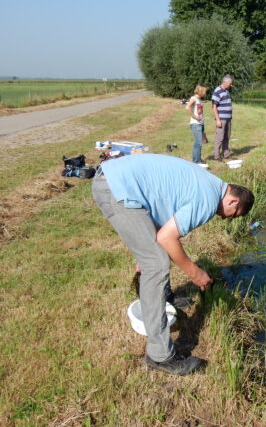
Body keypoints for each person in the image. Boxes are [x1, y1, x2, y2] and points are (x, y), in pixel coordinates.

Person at [91, 153, 254, 375]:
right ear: (233, 201)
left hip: (115, 179)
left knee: (154, 256)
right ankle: (160, 356)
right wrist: (195, 273)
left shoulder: (210, 184)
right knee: (156, 264)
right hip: (115, 187)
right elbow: (167, 238)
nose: (227, 219)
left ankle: (163, 297)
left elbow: (163, 229)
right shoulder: (207, 199)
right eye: (233, 215)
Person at [211, 75, 234, 160]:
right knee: (219, 137)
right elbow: (214, 107)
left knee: (226, 137)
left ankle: (226, 154)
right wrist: (218, 120)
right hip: (221, 119)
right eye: (230, 84)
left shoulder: (226, 91)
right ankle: (217, 156)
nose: (231, 85)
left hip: (228, 119)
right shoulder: (217, 91)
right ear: (225, 82)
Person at [186, 85, 209, 164]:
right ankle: (196, 161)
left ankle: (197, 159)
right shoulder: (194, 98)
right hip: (196, 124)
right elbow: (187, 107)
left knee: (200, 142)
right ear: (200, 91)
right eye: (204, 92)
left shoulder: (198, 99)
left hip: (200, 123)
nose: (205, 93)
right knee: (198, 142)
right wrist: (195, 117)